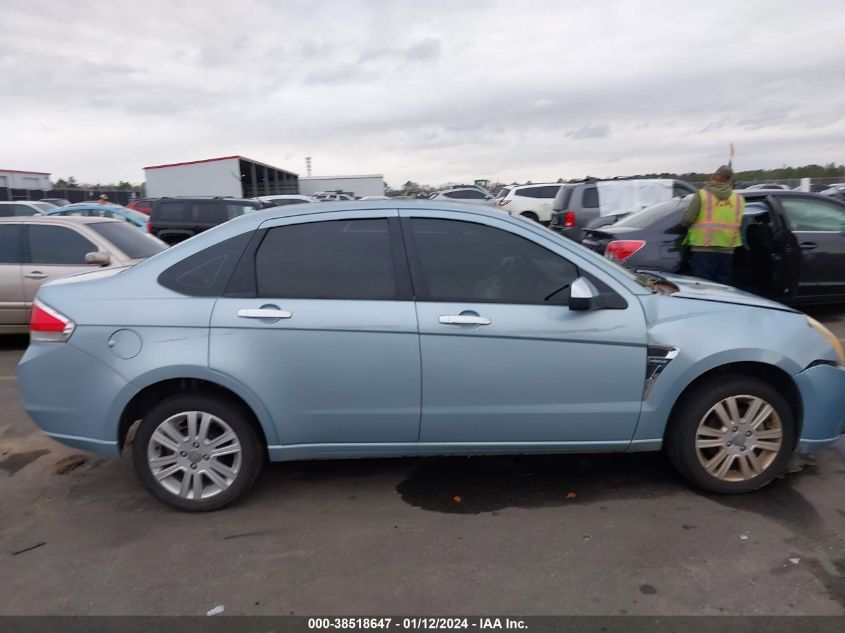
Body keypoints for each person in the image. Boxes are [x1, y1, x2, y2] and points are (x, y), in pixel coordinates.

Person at [680, 165, 745, 284]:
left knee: (703, 285)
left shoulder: (702, 194)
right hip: (727, 248)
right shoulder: (739, 198)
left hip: (703, 247)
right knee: (723, 285)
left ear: (714, 176)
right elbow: (738, 221)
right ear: (729, 179)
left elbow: (688, 219)